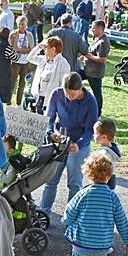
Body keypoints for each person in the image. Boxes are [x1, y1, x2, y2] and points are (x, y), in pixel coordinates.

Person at [39, 73, 98, 214]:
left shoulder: (90, 101)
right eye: (67, 94)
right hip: (60, 141)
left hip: (78, 144)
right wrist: (50, 133)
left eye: (73, 94)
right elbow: (49, 119)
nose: (69, 97)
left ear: (81, 89)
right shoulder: (57, 94)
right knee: (51, 179)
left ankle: (71, 216)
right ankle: (44, 212)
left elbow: (90, 129)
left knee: (74, 183)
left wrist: (79, 144)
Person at [27, 35, 71, 115]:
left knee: (49, 121)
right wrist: (39, 47)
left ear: (53, 49)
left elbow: (64, 85)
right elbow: (30, 57)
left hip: (51, 99)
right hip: (39, 96)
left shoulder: (63, 63)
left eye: (46, 47)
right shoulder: (43, 59)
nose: (44, 50)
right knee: (38, 119)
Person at [82, 20, 110, 118]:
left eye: (93, 28)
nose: (92, 30)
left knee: (96, 93)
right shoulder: (96, 38)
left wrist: (89, 56)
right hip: (88, 70)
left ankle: (98, 113)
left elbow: (102, 59)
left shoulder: (103, 42)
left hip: (95, 73)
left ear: (100, 28)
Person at [8, 17, 35, 107]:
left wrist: (20, 50)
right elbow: (12, 48)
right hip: (15, 61)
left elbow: (31, 49)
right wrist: (23, 50)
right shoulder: (13, 34)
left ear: (26, 25)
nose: (21, 26)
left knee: (22, 84)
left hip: (25, 62)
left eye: (23, 24)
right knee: (12, 82)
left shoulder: (29, 35)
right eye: (19, 24)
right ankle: (8, 102)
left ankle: (18, 104)